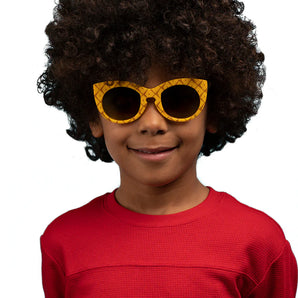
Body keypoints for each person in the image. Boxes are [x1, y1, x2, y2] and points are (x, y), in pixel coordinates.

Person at [38, 0, 298, 296]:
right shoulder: (64, 242)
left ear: (213, 112)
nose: (152, 123)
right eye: (122, 101)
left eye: (179, 99)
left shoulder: (260, 244)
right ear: (93, 117)